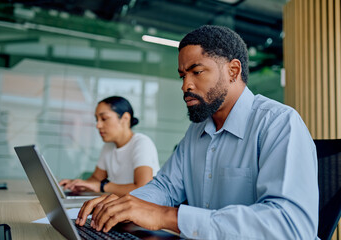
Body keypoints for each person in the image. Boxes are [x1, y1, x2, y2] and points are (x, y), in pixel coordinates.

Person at [75, 25, 319, 239]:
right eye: (182, 75)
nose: (185, 85)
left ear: (233, 71)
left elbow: (291, 227)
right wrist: (126, 205)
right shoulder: (197, 131)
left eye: (197, 72)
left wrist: (169, 217)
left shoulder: (279, 123)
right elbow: (165, 187)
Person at [59, 96, 160, 197]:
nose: (98, 125)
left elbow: (143, 188)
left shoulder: (141, 143)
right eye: (97, 119)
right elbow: (96, 179)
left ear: (125, 118)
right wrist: (79, 184)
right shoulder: (109, 146)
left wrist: (103, 187)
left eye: (104, 119)